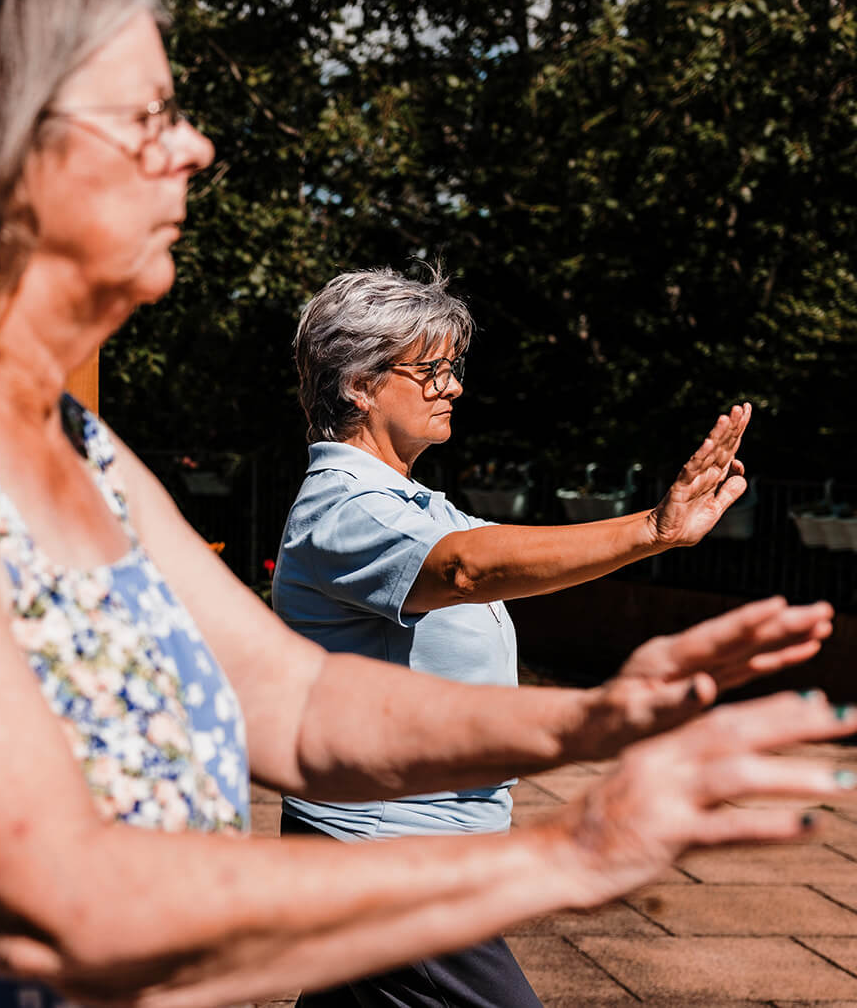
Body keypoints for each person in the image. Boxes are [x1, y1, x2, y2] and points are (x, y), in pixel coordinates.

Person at [0, 0, 857, 1008]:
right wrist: (566, 852)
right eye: (149, 115)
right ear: (3, 146)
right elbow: (48, 899)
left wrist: (598, 717)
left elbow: (299, 704)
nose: (193, 148)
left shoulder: (68, 440)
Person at [273, 265, 761, 1008]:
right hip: (392, 859)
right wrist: (653, 530)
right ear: (360, 385)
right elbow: (468, 569)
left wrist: (656, 531)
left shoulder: (415, 505)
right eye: (431, 371)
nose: (453, 387)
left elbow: (507, 556)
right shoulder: (346, 508)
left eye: (453, 368)